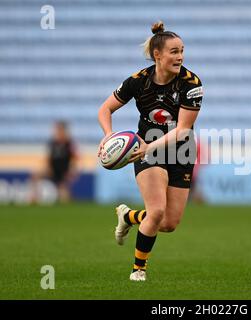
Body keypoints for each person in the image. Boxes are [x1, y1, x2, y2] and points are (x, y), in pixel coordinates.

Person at [97, 21, 204, 281]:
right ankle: (138, 271)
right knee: (156, 211)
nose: (180, 57)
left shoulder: (191, 84)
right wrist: (108, 135)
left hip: (179, 151)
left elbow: (182, 130)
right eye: (174, 51)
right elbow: (105, 109)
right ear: (158, 55)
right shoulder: (138, 81)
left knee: (168, 223)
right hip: (147, 152)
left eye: (182, 51)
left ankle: (129, 215)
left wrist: (149, 144)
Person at [30, 121, 79, 203]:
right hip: (52, 170)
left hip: (63, 172)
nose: (58, 132)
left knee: (64, 195)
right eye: (57, 130)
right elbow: (48, 157)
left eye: (60, 130)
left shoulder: (69, 143)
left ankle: (68, 201)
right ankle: (34, 198)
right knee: (35, 175)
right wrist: (48, 167)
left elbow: (75, 158)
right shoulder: (52, 143)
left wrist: (72, 171)